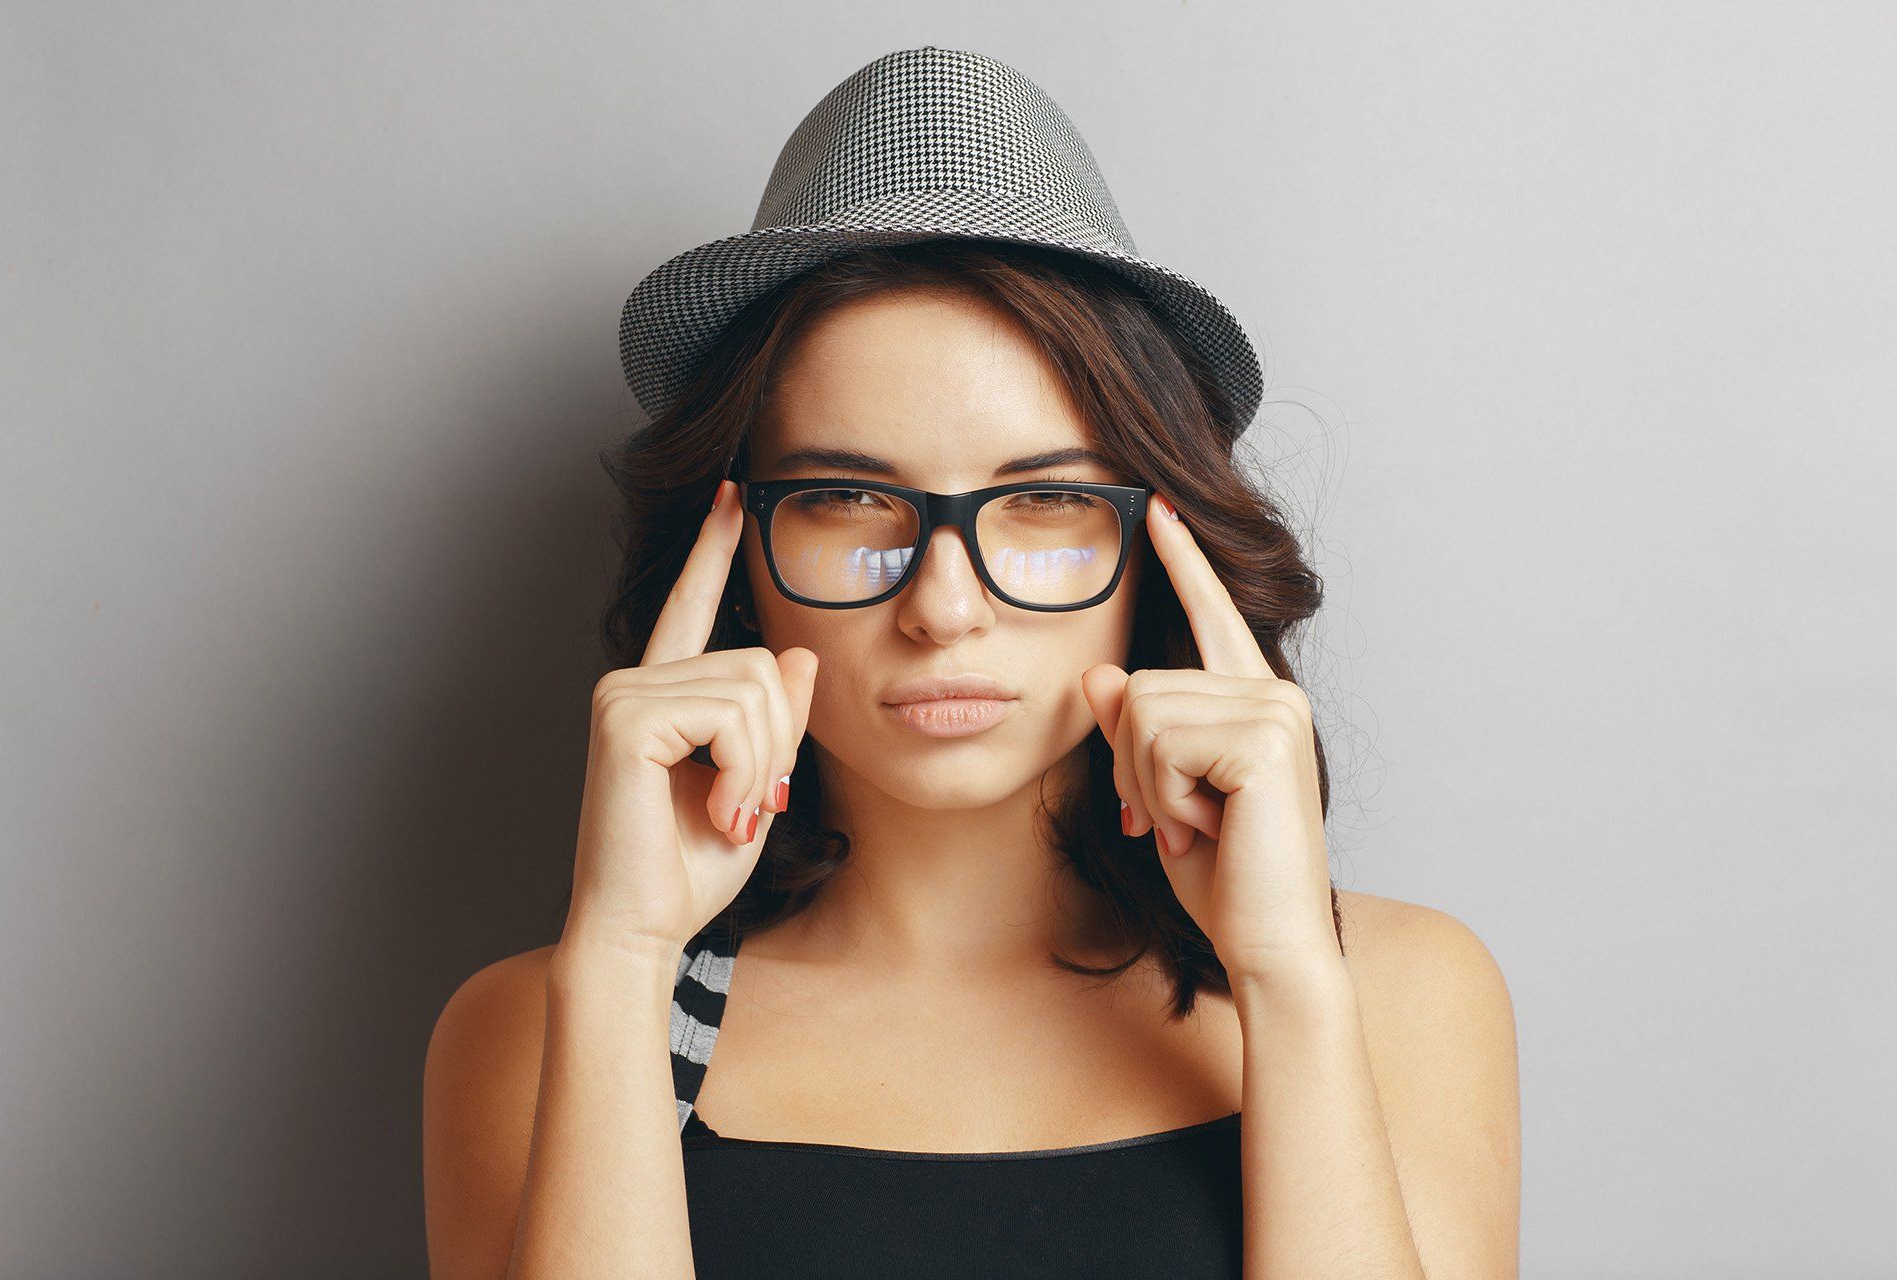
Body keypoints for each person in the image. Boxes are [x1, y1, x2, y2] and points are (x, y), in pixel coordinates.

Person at [423, 47, 1519, 1280]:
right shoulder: (538, 1024)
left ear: (1159, 544)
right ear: (736, 557)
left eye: (1044, 499)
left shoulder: (1400, 996)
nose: (944, 607)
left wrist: (1284, 978)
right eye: (847, 495)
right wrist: (622, 961)